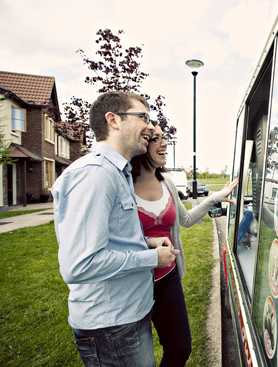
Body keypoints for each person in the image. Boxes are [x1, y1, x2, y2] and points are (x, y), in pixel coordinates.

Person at [52, 91, 179, 367]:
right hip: (112, 329)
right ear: (113, 120)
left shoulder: (116, 172)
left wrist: (146, 243)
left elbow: (110, 240)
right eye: (143, 117)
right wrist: (152, 258)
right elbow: (80, 265)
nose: (150, 126)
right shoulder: (96, 175)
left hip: (125, 320)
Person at [130, 125, 238, 367]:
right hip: (134, 282)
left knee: (180, 348)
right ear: (140, 143)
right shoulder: (123, 183)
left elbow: (186, 220)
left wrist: (216, 197)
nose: (164, 143)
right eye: (155, 138)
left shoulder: (167, 181)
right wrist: (147, 245)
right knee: (139, 356)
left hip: (167, 279)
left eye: (163, 138)